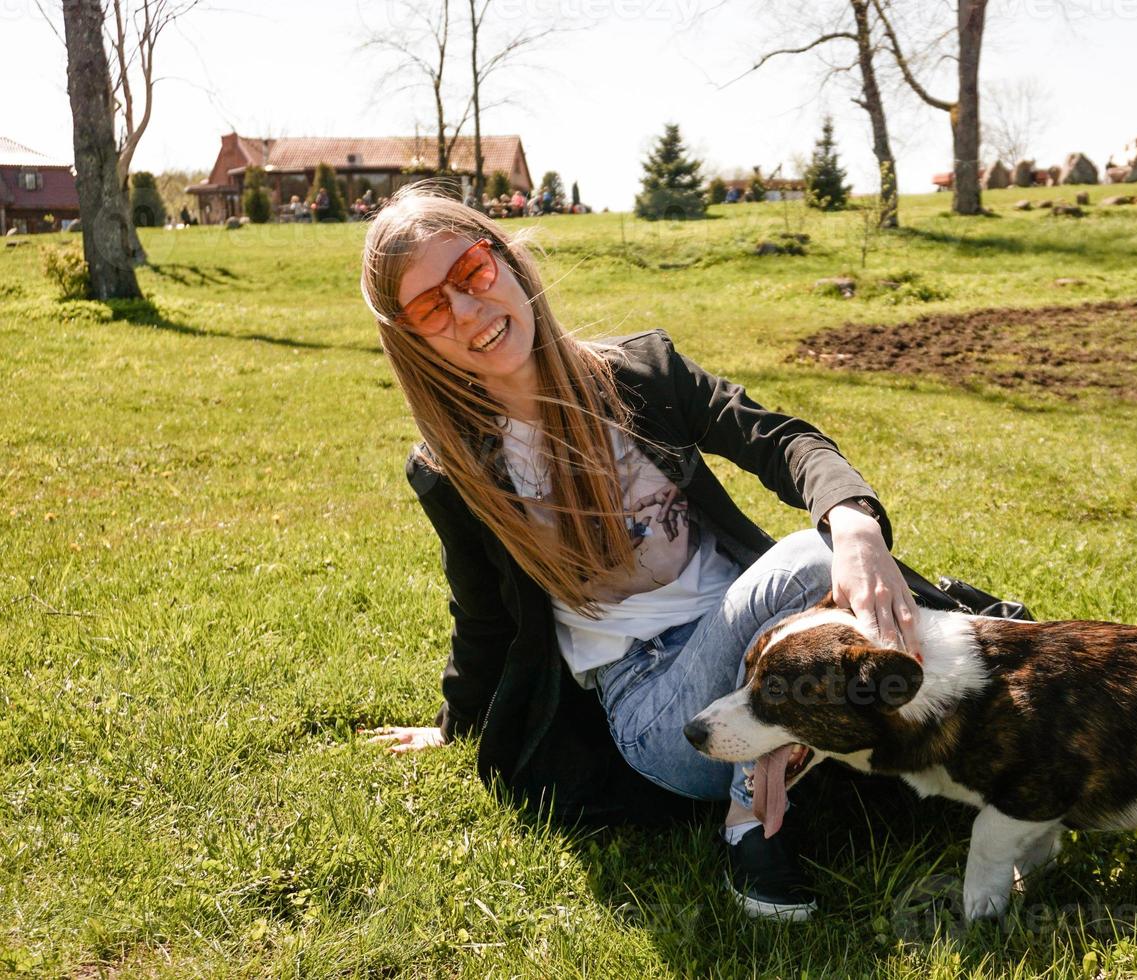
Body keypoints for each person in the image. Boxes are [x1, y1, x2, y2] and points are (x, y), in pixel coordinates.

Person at [356, 185, 990, 922]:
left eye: (471, 271)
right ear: (413, 339)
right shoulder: (451, 469)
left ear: (508, 259)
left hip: (769, 643)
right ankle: (748, 824)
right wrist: (455, 723)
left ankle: (911, 733)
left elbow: (778, 438)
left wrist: (853, 522)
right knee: (806, 566)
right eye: (432, 308)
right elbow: (483, 617)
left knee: (856, 593)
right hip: (662, 711)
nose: (468, 311)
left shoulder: (640, 374)